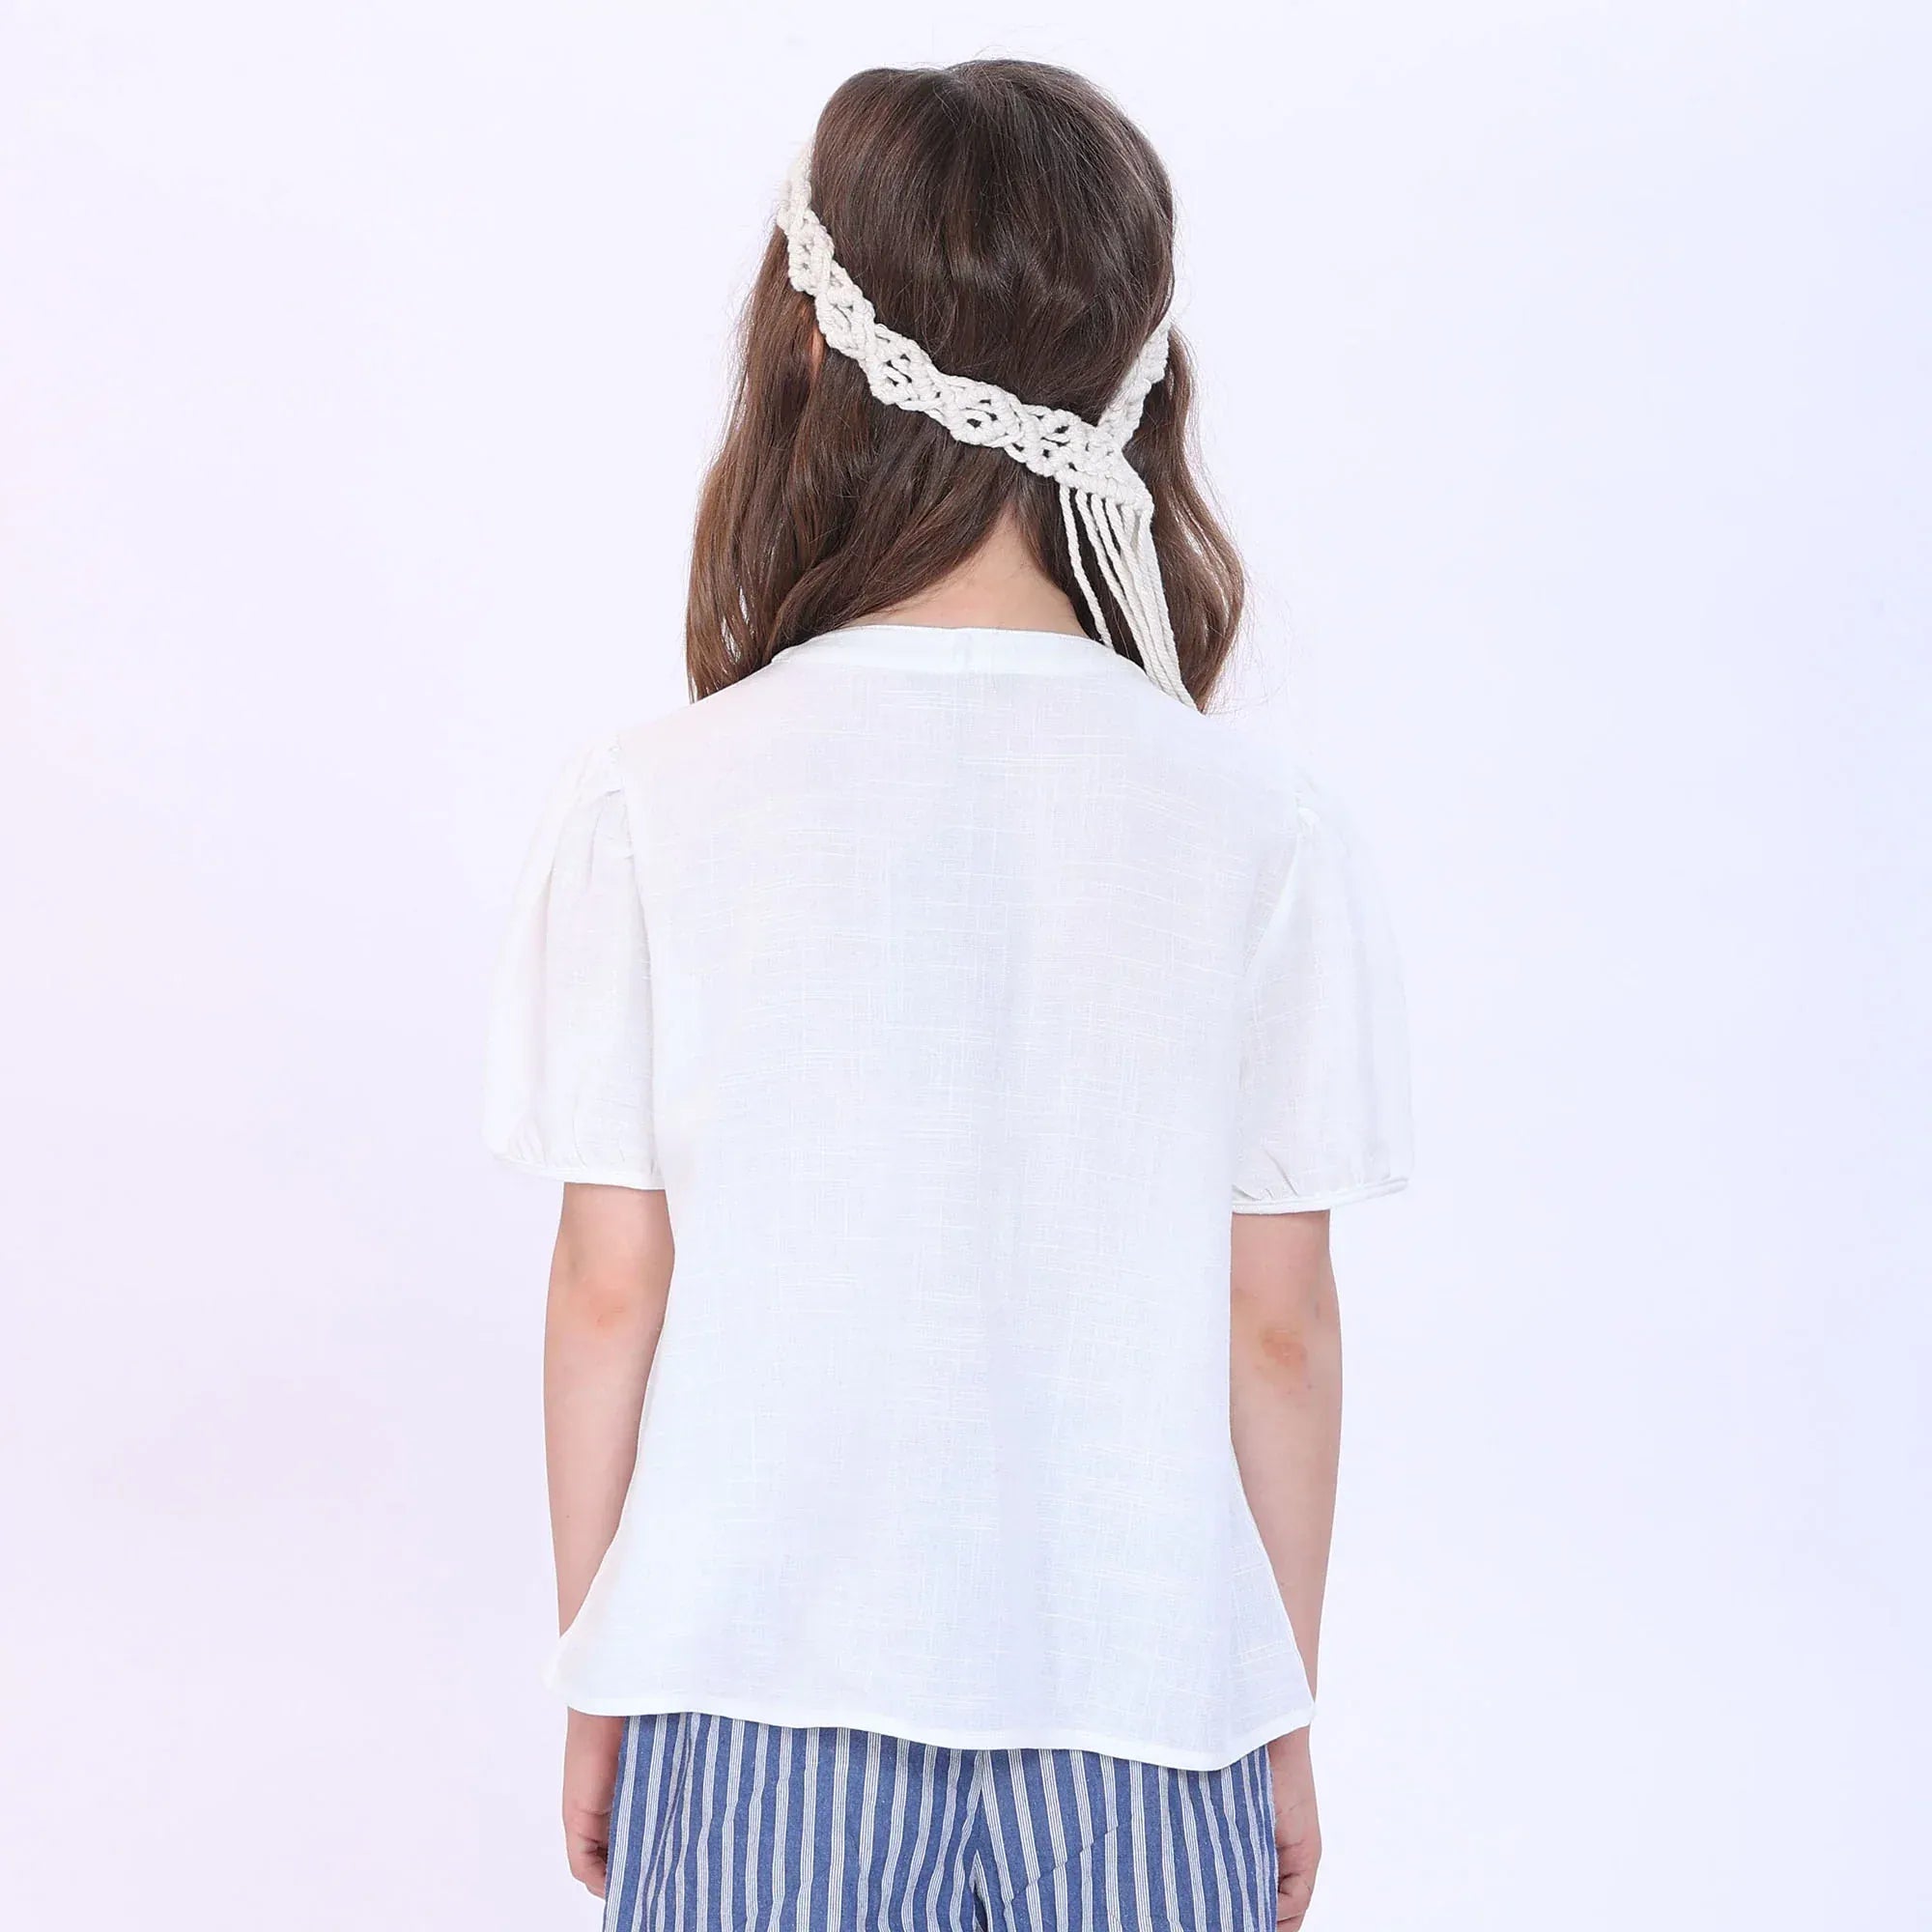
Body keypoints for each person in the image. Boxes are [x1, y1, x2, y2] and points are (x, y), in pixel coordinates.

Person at [485, 58, 1410, 1932]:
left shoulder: (658, 799)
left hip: (749, 1696)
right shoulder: (1260, 823)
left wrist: (602, 1658)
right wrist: (1273, 1705)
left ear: (808, 353)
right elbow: (1279, 1327)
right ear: (1136, 369)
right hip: (1148, 1710)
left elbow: (608, 1287)